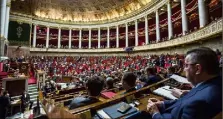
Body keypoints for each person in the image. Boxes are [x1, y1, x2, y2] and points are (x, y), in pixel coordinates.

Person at [146, 47, 222, 119]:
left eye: (186, 65)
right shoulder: (213, 84)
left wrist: (155, 113)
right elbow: (185, 101)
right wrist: (163, 104)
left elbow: (191, 102)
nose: (184, 69)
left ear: (198, 69)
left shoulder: (199, 101)